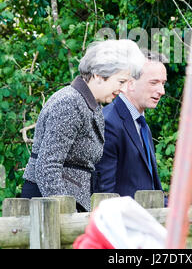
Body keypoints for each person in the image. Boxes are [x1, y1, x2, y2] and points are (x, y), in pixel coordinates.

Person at [21, 39, 145, 212]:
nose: (123, 89)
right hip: (49, 208)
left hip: (69, 204)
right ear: (98, 76)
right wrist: (67, 212)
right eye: (121, 81)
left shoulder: (90, 104)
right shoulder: (70, 103)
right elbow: (47, 167)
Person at [94, 51, 167, 204]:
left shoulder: (141, 123)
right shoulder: (108, 123)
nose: (162, 91)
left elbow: (149, 186)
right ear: (129, 83)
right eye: (154, 83)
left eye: (163, 83)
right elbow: (105, 195)